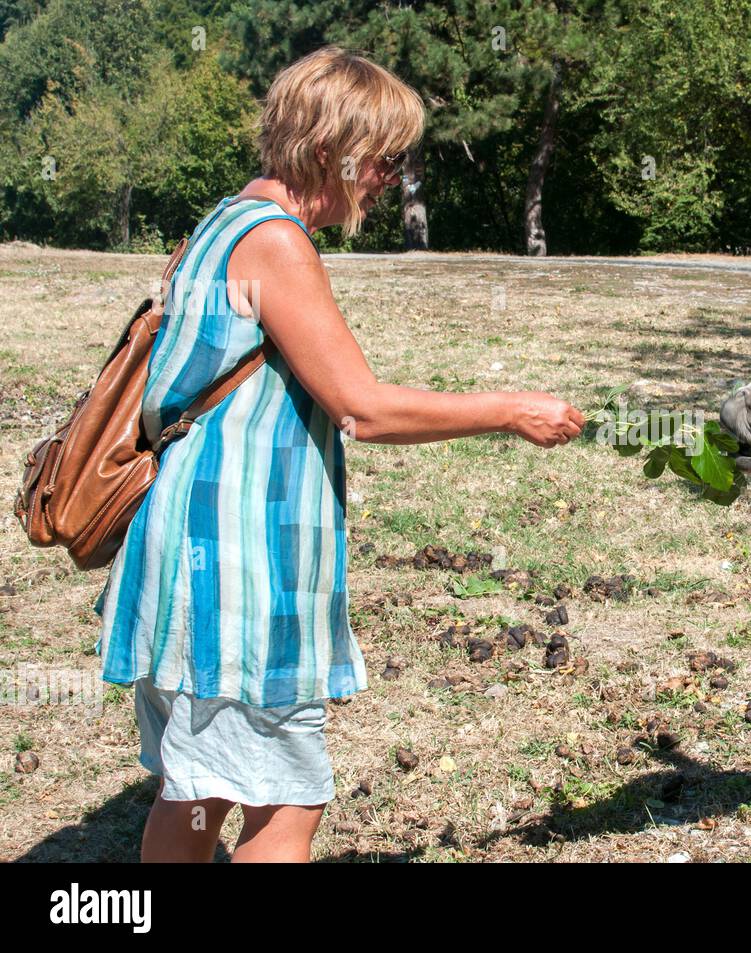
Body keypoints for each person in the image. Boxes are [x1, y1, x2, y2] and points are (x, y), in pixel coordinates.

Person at [92, 46, 584, 862]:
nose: (390, 176)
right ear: (328, 149)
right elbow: (364, 407)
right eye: (384, 157)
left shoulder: (223, 219)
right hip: (239, 568)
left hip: (184, 553)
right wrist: (509, 409)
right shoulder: (276, 243)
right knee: (289, 804)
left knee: (198, 790)